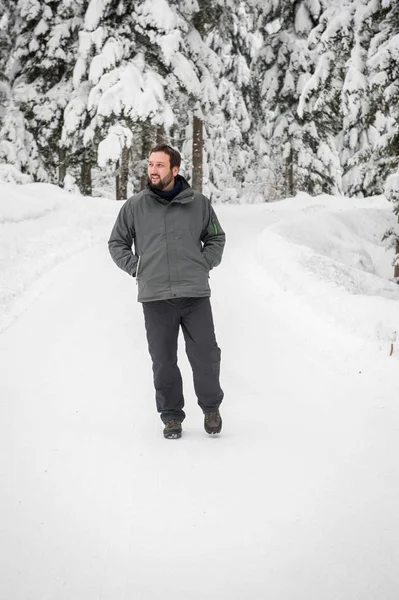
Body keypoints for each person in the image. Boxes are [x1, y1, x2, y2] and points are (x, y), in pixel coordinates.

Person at [108, 143, 226, 439]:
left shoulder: (198, 203)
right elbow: (117, 243)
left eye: (160, 165)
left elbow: (216, 238)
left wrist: (203, 264)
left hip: (194, 295)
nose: (153, 170)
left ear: (175, 169)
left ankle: (211, 407)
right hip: (156, 297)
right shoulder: (135, 206)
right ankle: (171, 416)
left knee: (205, 355)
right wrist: (138, 268)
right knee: (163, 361)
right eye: (150, 164)